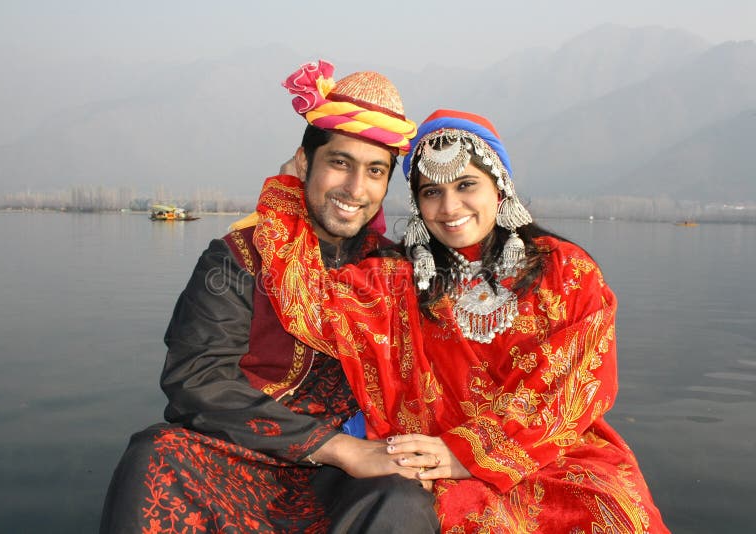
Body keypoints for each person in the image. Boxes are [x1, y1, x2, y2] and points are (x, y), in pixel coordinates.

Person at [253, 109, 670, 532]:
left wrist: (468, 454)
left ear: (500, 185)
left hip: (558, 456)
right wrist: (289, 186)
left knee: (617, 517)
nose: (449, 207)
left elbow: (578, 383)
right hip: (436, 467)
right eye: (432, 192)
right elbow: (305, 300)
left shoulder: (565, 271)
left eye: (466, 185)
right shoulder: (396, 280)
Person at [100, 61, 440, 533]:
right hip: (242, 457)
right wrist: (339, 448)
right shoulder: (238, 258)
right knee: (154, 455)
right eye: (340, 163)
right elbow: (196, 379)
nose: (355, 189)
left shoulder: (398, 270)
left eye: (375, 171)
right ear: (305, 163)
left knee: (403, 501)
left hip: (349, 477)